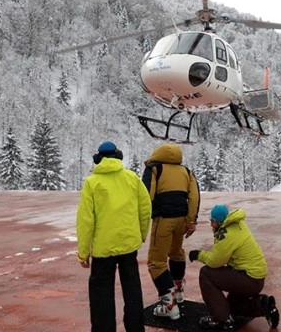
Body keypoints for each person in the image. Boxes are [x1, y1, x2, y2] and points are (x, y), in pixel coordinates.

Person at [76, 141, 152, 332]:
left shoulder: (92, 183)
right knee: (132, 287)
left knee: (101, 292)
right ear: (118, 156)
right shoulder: (132, 178)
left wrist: (83, 252)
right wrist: (141, 235)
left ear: (98, 159)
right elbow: (145, 208)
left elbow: (86, 220)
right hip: (128, 244)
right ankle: (135, 328)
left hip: (103, 249)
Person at [188, 204, 280, 331]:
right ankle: (263, 305)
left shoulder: (227, 234)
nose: (211, 224)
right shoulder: (238, 225)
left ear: (220, 221)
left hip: (248, 279)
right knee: (231, 306)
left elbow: (215, 261)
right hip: (256, 278)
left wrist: (199, 255)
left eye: (213, 221)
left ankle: (221, 320)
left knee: (206, 273)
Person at [142, 144, 201, 320]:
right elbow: (194, 196)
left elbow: (146, 196)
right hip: (181, 220)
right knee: (176, 253)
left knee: (156, 262)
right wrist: (191, 221)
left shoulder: (154, 169)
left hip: (163, 220)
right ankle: (178, 292)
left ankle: (169, 304)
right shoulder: (186, 171)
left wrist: (142, 222)